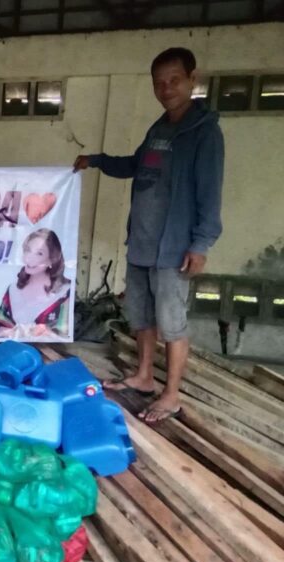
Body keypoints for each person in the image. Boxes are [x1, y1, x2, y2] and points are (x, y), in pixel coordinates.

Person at [73, 47, 224, 423]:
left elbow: (210, 194)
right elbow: (133, 166)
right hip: (141, 243)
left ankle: (170, 394)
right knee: (141, 317)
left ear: (193, 79)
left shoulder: (204, 134)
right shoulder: (159, 129)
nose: (167, 88)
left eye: (175, 80)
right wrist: (95, 160)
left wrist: (201, 244)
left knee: (172, 322)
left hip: (173, 249)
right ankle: (143, 377)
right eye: (160, 82)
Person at [0, 228, 71, 339]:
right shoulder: (13, 290)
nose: (29, 257)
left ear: (52, 259)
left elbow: (64, 333)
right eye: (28, 250)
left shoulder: (65, 292)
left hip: (48, 353)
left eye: (39, 253)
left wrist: (41, 332)